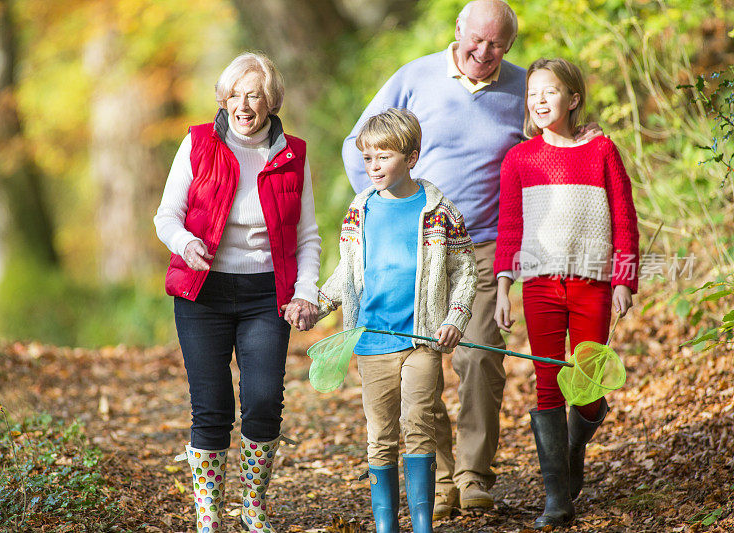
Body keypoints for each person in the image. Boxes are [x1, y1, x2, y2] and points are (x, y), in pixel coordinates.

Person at [342, 0, 603, 517]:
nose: (484, 52)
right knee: (421, 366)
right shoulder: (414, 77)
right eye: (476, 41)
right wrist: (382, 208)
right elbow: (358, 143)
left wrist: (587, 139)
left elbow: (552, 131)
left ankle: (474, 473)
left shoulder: (518, 88)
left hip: (485, 243)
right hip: (418, 242)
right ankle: (439, 475)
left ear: (509, 45)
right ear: (457, 31)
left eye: (497, 44)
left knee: (481, 353)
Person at [153, 52, 322, 533]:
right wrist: (186, 243)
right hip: (202, 290)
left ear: (271, 100)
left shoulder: (293, 154)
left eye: (254, 94)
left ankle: (253, 507)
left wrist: (305, 289)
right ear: (223, 99)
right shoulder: (198, 143)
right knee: (211, 405)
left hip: (265, 294)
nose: (243, 105)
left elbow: (308, 234)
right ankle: (209, 515)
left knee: (264, 398)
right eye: (235, 94)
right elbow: (166, 216)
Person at [494, 57, 639, 529]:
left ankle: (575, 443)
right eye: (532, 92)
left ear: (572, 99)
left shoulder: (601, 150)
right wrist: (502, 289)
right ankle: (556, 497)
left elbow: (624, 216)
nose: (538, 100)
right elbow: (510, 229)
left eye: (550, 91)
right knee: (548, 379)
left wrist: (623, 278)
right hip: (539, 284)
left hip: (593, 281)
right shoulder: (520, 158)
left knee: (589, 382)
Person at [319, 108, 477, 533]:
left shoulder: (439, 211)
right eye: (367, 158)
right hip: (372, 342)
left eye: (383, 157)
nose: (373, 167)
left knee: (419, 422)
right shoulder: (359, 210)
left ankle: (422, 524)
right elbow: (347, 273)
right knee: (380, 434)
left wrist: (455, 319)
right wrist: (318, 303)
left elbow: (465, 270)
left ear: (411, 156)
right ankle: (387, 526)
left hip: (422, 340)